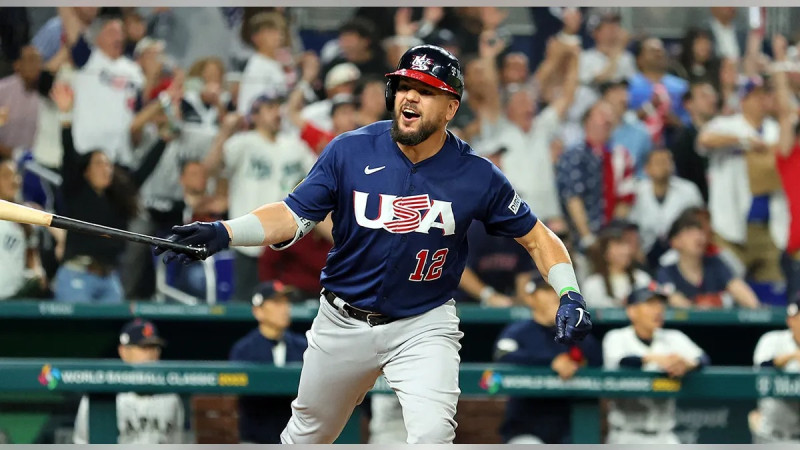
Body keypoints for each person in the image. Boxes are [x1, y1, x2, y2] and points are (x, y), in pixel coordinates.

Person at [155, 44, 592, 444]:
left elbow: (538, 237)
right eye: (403, 86)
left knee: (433, 435)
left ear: (451, 107)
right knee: (307, 435)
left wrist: (569, 292)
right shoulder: (350, 149)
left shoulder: (477, 174)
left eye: (425, 90)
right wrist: (224, 231)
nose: (409, 97)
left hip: (424, 322)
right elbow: (292, 214)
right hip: (342, 318)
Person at [204, 95, 315, 301]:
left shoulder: (294, 146)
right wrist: (225, 132)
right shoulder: (243, 142)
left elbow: (318, 176)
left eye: (278, 107)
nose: (277, 112)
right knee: (244, 306)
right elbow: (210, 169)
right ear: (254, 115)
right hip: (247, 240)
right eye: (270, 107)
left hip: (282, 243)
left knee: (277, 305)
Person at [696, 75, 787, 287]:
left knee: (773, 291)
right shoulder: (726, 124)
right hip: (728, 227)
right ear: (743, 99)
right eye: (755, 95)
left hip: (769, 227)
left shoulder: (776, 130)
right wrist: (744, 141)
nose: (762, 100)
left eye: (764, 95)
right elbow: (704, 140)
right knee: (728, 291)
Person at [494, 277, 602, 444]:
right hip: (525, 424)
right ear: (530, 299)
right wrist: (550, 362)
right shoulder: (517, 331)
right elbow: (502, 356)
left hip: (567, 424)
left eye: (556, 291)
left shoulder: (572, 332)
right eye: (546, 291)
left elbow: (597, 360)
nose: (553, 296)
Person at [603, 284, 710, 444]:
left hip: (664, 436)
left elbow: (703, 358)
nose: (658, 310)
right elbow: (623, 361)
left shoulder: (673, 337)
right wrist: (657, 359)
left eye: (660, 304)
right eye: (650, 304)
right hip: (626, 435)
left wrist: (687, 365)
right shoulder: (617, 337)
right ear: (631, 311)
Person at [72, 319, 184, 444]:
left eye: (155, 348)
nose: (152, 354)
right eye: (144, 348)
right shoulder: (99, 394)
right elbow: (82, 442)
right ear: (123, 351)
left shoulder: (171, 397)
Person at [229, 281, 308, 444]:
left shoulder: (304, 347)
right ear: (258, 311)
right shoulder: (244, 350)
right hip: (255, 439)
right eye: (277, 302)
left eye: (286, 302)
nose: (285, 308)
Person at [556, 100, 635, 250]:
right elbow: (573, 198)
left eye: (610, 115)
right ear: (587, 121)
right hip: (580, 238)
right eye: (601, 114)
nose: (608, 119)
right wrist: (587, 237)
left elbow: (625, 198)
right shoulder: (575, 154)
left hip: (612, 238)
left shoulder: (620, 156)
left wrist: (613, 235)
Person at [657, 213, 760, 309]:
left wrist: (756, 307)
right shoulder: (667, 272)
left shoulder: (716, 264)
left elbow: (741, 291)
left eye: (700, 231)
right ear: (675, 242)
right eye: (689, 232)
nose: (698, 237)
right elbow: (673, 299)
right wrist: (697, 308)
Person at [629, 147, 704, 267]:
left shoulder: (688, 190)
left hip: (680, 252)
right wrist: (637, 251)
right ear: (647, 168)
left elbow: (700, 223)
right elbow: (630, 227)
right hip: (645, 252)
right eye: (658, 162)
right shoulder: (636, 192)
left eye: (666, 161)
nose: (663, 166)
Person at [750, 294, 800, 443]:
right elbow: (761, 366)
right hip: (770, 434)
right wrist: (792, 356)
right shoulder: (772, 340)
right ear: (790, 320)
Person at [0, 158, 45, 299]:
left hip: (14, 295)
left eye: (15, 175)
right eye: (6, 176)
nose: (13, 180)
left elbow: (31, 256)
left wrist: (38, 272)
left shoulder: (25, 217)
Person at [670, 81, 719, 203]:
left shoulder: (728, 131)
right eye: (704, 96)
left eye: (712, 95)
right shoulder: (682, 139)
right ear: (689, 104)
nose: (711, 100)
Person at [583, 225, 651, 308]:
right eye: (618, 246)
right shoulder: (593, 284)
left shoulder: (642, 279)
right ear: (605, 253)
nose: (625, 251)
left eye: (626, 245)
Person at [237, 12, 289, 117]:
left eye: (279, 31)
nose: (278, 36)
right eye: (271, 31)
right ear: (256, 37)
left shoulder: (274, 64)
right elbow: (248, 108)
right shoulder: (257, 67)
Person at [0, 45, 42, 157]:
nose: (36, 66)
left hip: (34, 162)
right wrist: (11, 153)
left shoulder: (46, 94)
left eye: (39, 61)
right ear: (17, 65)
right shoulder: (2, 90)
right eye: (31, 60)